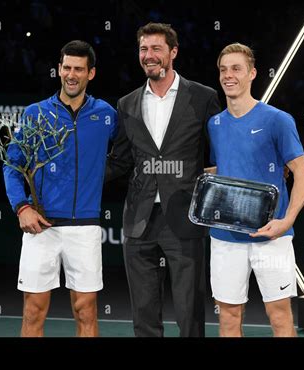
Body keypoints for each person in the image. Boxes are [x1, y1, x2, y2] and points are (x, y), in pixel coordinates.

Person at [106, 22, 220, 337]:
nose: (149, 55)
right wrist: (72, 174)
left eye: (156, 48)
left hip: (185, 217)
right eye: (144, 49)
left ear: (173, 52)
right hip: (139, 220)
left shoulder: (202, 97)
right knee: (143, 315)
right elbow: (120, 161)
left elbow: (221, 155)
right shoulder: (127, 103)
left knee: (190, 313)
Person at [3, 40, 118, 337]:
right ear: (58, 69)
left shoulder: (106, 115)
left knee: (86, 313)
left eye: (79, 69)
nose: (71, 74)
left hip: (85, 228)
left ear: (90, 74)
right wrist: (22, 207)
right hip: (41, 227)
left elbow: (127, 157)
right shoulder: (35, 113)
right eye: (66, 67)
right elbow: (12, 165)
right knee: (32, 313)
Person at [207, 43, 304, 337]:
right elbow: (225, 170)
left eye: (236, 69)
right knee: (228, 317)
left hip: (272, 235)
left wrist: (287, 221)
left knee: (279, 316)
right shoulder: (214, 124)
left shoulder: (277, 120)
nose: (229, 75)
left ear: (252, 73)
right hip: (225, 238)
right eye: (223, 70)